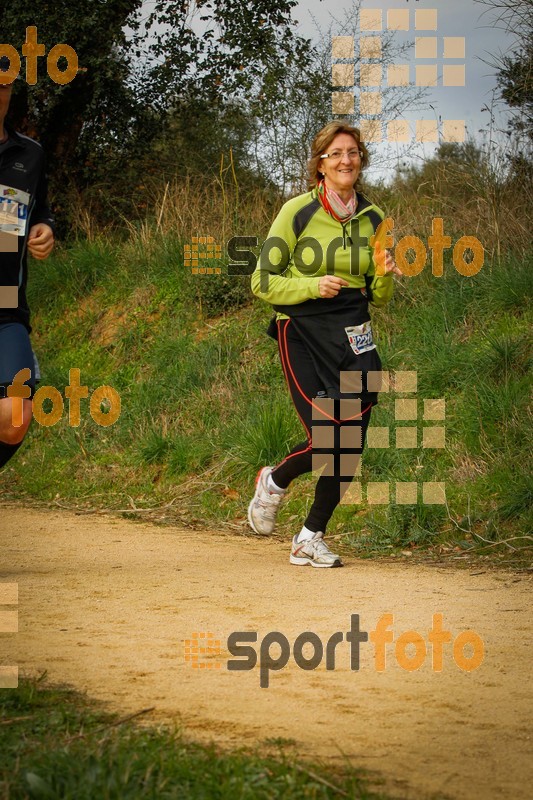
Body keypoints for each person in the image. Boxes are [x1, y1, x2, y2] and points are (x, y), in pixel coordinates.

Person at [248, 120, 401, 568]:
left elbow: (380, 296)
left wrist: (386, 273)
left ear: (361, 160)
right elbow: (262, 281)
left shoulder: (375, 219)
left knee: (351, 440)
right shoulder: (297, 211)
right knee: (328, 437)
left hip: (353, 329)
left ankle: (309, 537)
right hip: (301, 327)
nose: (345, 160)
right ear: (320, 164)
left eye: (352, 152)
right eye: (335, 153)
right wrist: (312, 285)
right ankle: (274, 481)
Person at [0, 58, 55, 470]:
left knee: (16, 415)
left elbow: (41, 211)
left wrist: (44, 229)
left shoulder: (30, 154)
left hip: (6, 302)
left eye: (2, 86)